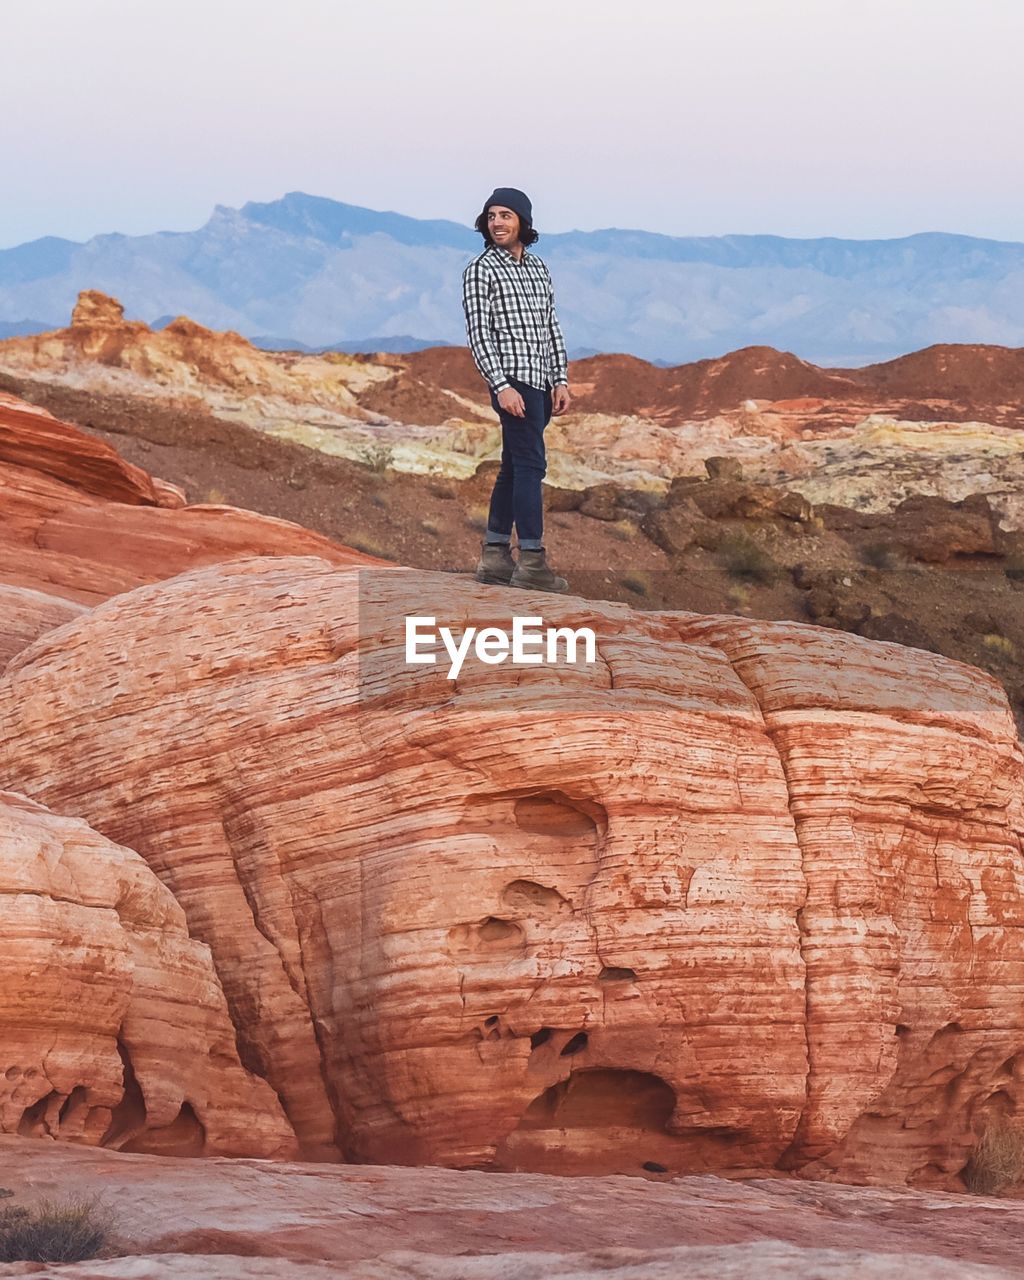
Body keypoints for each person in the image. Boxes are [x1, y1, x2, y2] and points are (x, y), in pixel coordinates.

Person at [462, 187, 571, 593]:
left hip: (541, 380)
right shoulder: (480, 269)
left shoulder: (539, 268)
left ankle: (493, 556)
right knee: (531, 467)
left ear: (523, 221)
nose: (497, 223)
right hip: (513, 383)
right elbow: (479, 336)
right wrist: (501, 386)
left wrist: (559, 378)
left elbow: (551, 326)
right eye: (491, 216)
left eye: (505, 215)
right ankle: (532, 562)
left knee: (513, 467)